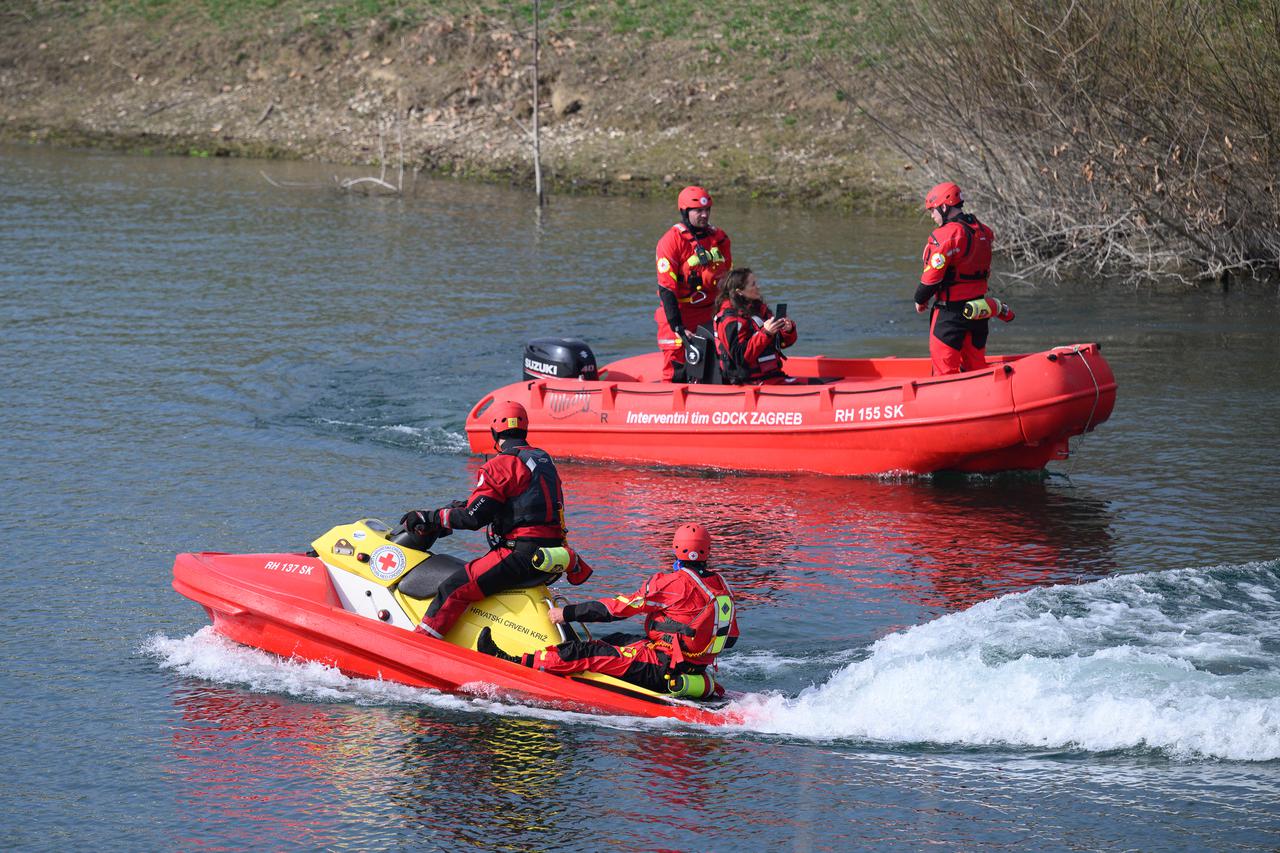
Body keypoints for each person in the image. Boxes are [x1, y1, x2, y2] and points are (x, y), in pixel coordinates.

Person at [476, 522, 739, 698]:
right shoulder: (721, 587)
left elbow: (616, 610)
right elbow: (730, 640)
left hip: (662, 668)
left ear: (676, 548)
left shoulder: (670, 582)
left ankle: (509, 661)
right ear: (707, 551)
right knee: (615, 640)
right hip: (692, 670)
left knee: (585, 651)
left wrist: (567, 613)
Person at [400, 401, 589, 640]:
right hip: (551, 551)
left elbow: (473, 518)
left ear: (494, 432)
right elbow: (521, 500)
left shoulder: (500, 464)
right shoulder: (543, 459)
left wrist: (429, 517)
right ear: (525, 429)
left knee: (453, 588)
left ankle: (422, 642)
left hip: (520, 555)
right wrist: (461, 506)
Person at [914, 181, 1013, 375]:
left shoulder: (945, 236)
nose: (932, 216)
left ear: (944, 207)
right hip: (978, 311)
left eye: (932, 210)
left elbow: (931, 279)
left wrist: (920, 299)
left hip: (950, 314)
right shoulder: (983, 231)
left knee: (944, 371)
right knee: (976, 366)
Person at [654, 185, 732, 382]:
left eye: (707, 210)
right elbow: (666, 288)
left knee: (720, 365)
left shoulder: (719, 238)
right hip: (680, 314)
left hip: (710, 311)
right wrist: (677, 327)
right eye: (698, 211)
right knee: (675, 370)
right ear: (685, 211)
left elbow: (729, 280)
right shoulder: (671, 241)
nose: (704, 215)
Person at [713, 267, 801, 385]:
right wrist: (766, 333)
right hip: (750, 381)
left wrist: (787, 330)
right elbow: (740, 357)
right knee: (813, 385)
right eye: (753, 284)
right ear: (740, 292)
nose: (758, 287)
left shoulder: (759, 309)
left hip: (772, 375)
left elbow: (780, 344)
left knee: (816, 382)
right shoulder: (730, 320)